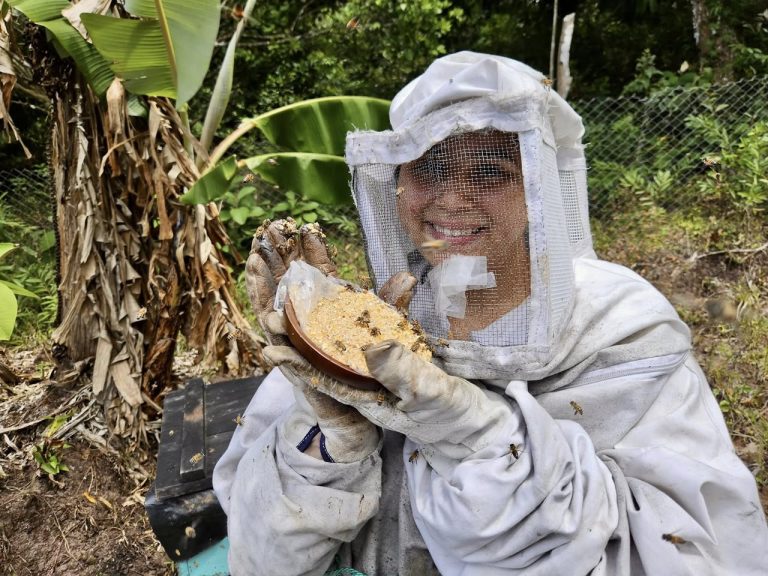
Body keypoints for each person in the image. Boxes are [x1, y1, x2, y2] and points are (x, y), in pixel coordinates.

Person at [213, 51, 768, 575]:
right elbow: (263, 557)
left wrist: (477, 433)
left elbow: (688, 550)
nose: (452, 199)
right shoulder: (360, 323)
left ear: (538, 186)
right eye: (428, 169)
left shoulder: (616, 326)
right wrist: (327, 436)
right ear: (398, 182)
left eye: (490, 171)